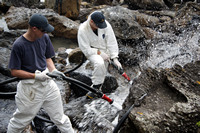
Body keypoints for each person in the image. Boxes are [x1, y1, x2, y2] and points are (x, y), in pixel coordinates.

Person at [7, 13, 74, 133]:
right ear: (34, 28)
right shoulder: (19, 45)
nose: (46, 33)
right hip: (30, 89)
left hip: (47, 82)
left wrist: (53, 70)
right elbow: (14, 71)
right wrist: (35, 76)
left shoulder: (44, 37)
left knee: (60, 118)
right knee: (20, 122)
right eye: (43, 31)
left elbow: (48, 58)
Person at [77, 11, 122, 98]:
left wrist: (115, 58)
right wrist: (99, 53)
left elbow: (111, 41)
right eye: (97, 25)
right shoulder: (82, 29)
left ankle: (97, 93)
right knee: (99, 63)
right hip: (92, 51)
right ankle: (95, 88)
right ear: (91, 22)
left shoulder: (104, 24)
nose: (100, 27)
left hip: (105, 50)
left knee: (102, 72)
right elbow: (85, 49)